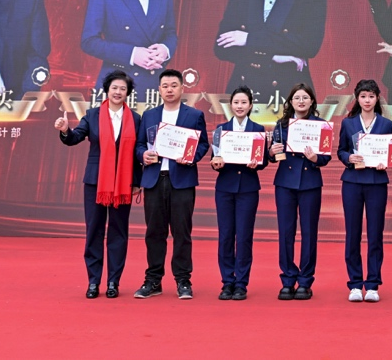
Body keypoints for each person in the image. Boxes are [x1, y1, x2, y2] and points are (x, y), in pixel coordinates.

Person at [54, 70, 141, 299]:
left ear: (128, 93)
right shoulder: (92, 115)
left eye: (123, 89)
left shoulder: (135, 119)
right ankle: (93, 282)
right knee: (94, 230)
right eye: (114, 88)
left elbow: (137, 153)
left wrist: (136, 182)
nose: (118, 92)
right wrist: (65, 130)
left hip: (123, 183)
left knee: (118, 232)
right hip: (96, 182)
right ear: (107, 90)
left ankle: (113, 281)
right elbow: (75, 138)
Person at [134, 69, 209, 299]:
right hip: (154, 180)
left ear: (182, 88)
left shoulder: (194, 115)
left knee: (181, 232)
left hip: (182, 180)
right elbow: (139, 145)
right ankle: (153, 280)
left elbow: (203, 144)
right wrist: (143, 155)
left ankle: (183, 280)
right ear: (159, 89)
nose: (169, 90)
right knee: (154, 232)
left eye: (174, 85)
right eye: (165, 86)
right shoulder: (149, 115)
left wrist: (191, 157)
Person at [269, 83, 331, 301]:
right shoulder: (281, 124)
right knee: (286, 233)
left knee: (309, 233)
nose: (301, 101)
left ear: (312, 101)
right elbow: (272, 155)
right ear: (291, 102)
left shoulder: (321, 125)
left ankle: (305, 281)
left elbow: (325, 157)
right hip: (285, 184)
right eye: (297, 98)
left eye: (305, 97)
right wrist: (272, 151)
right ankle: (287, 279)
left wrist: (316, 158)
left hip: (310, 183)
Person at [336, 79, 392, 303]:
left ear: (377, 98)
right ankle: (354, 283)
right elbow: (341, 150)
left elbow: (391, 153)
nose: (367, 100)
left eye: (371, 96)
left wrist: (385, 162)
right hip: (352, 182)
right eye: (363, 96)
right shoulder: (348, 123)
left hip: (377, 182)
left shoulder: (386, 124)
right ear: (357, 98)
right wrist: (349, 157)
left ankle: (372, 284)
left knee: (375, 233)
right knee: (352, 233)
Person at [210, 85, 269, 301]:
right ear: (231, 105)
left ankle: (241, 283)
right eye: (236, 102)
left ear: (251, 105)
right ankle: (227, 282)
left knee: (244, 236)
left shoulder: (258, 130)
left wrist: (257, 163)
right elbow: (214, 158)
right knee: (226, 235)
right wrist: (216, 163)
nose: (240, 106)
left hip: (248, 189)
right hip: (225, 188)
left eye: (244, 102)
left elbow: (263, 161)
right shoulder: (221, 130)